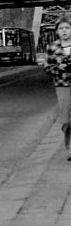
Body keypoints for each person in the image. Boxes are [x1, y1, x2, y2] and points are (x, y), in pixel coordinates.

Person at [43, 15, 71, 161]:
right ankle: (69, 146)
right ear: (57, 31)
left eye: (67, 27)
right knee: (66, 119)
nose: (64, 31)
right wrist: (58, 68)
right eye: (61, 28)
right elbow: (47, 68)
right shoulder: (52, 47)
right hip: (62, 85)